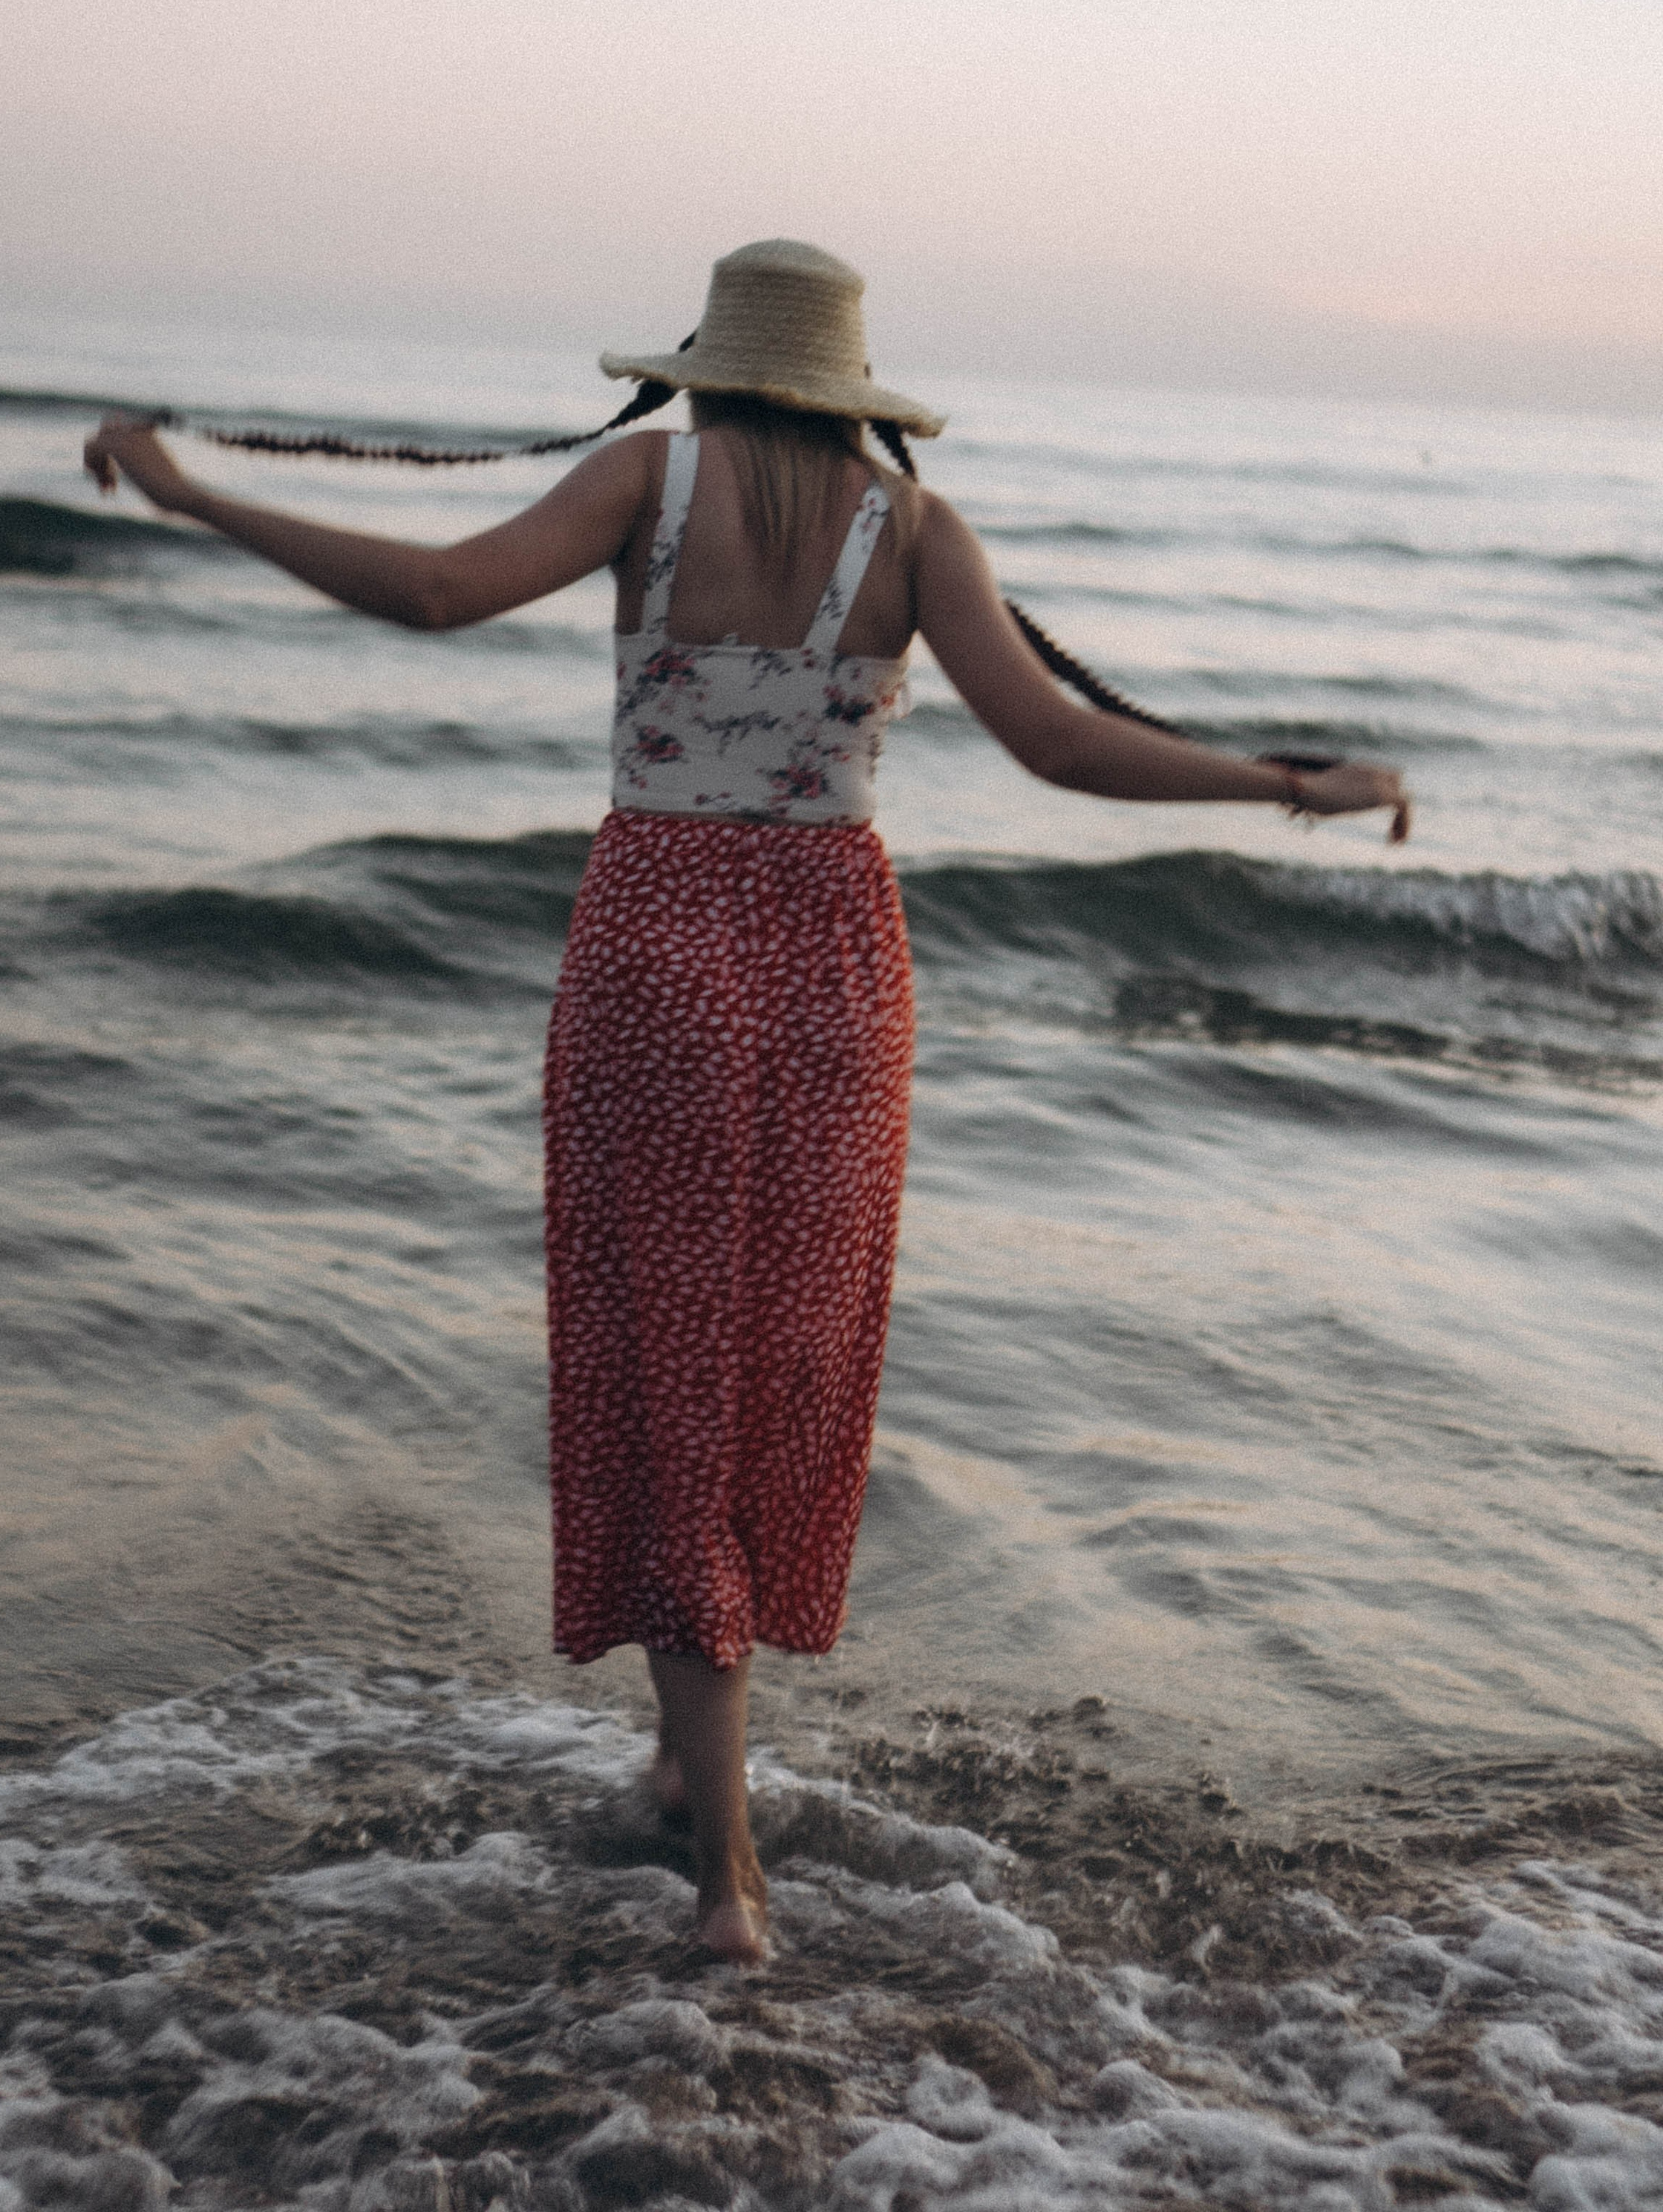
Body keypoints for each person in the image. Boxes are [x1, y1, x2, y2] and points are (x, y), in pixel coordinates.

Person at [85, 238, 1408, 1965]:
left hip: (655, 943)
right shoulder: (914, 529)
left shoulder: (648, 471)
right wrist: (1291, 787)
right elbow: (1060, 751)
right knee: (772, 1363)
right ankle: (678, 1767)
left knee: (661, 1360)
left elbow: (429, 595)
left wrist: (189, 493)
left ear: (706, 361)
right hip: (837, 972)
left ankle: (728, 1881)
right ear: (853, 385)